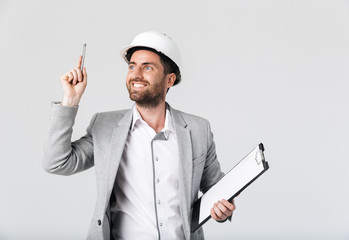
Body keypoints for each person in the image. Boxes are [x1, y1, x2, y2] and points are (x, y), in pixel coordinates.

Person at [43, 31, 237, 240]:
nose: (136, 74)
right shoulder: (105, 127)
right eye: (132, 66)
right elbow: (57, 162)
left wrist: (224, 209)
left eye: (147, 67)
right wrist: (69, 101)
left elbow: (218, 190)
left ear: (169, 80)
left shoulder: (199, 129)